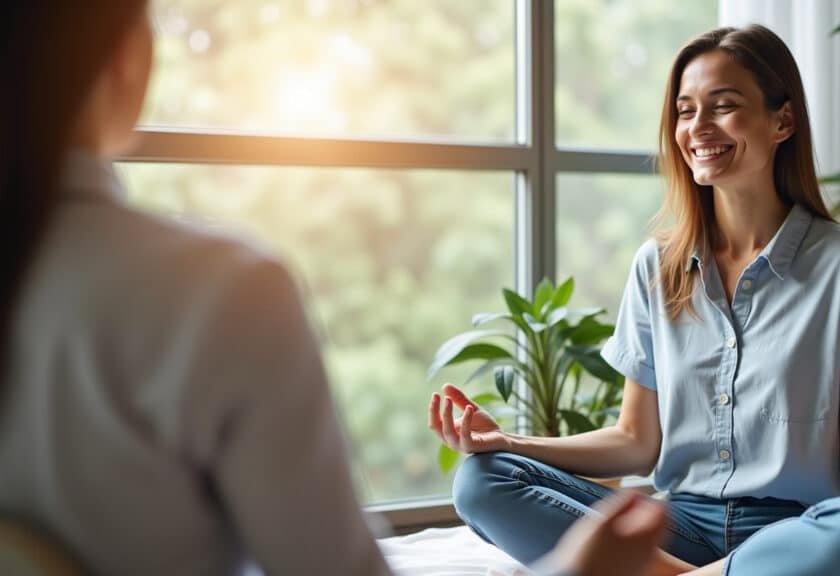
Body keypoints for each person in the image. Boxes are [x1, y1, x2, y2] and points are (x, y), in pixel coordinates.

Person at [0, 2, 662, 575]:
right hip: (672, 516)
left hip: (738, 520)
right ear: (130, 60)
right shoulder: (217, 290)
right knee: (482, 482)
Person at [430, 25, 840, 576]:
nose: (698, 128)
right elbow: (634, 442)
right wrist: (508, 440)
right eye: (686, 110)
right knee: (482, 479)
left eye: (724, 106)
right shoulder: (657, 266)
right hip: (680, 529)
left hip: (794, 534)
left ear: (782, 121)